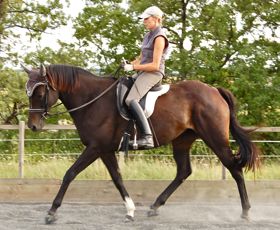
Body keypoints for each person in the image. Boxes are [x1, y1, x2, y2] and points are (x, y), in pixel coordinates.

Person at [123, 6, 169, 149]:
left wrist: (134, 68)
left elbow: (155, 65)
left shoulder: (159, 37)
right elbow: (142, 58)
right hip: (144, 72)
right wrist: (129, 64)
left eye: (147, 18)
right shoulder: (148, 35)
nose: (144, 21)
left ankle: (147, 138)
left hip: (154, 73)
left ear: (156, 19)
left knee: (131, 99)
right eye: (144, 19)